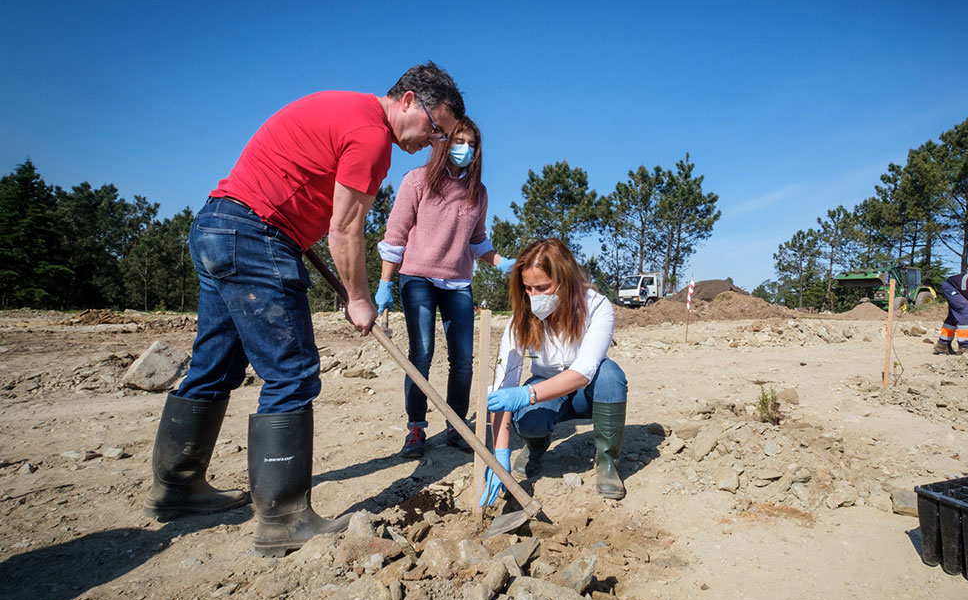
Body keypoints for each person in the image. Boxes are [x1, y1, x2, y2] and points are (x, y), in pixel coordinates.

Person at [142, 63, 465, 557]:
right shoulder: (372, 135)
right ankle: (284, 518)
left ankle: (177, 487)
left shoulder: (345, 108)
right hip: (255, 235)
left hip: (218, 224)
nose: (434, 140)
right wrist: (359, 298)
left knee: (216, 364)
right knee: (291, 371)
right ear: (408, 102)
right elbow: (345, 229)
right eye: (435, 128)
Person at [373, 116, 514, 457]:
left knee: (463, 359)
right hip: (417, 278)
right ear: (443, 143)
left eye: (471, 144)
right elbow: (396, 236)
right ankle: (416, 430)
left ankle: (455, 425)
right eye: (458, 141)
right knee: (421, 354)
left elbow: (477, 241)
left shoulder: (477, 193)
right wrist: (384, 283)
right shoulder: (417, 182)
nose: (464, 149)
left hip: (458, 282)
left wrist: (503, 263)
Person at [482, 239, 628, 501]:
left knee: (610, 375)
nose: (534, 296)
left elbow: (583, 372)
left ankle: (607, 461)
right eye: (528, 288)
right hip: (546, 386)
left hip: (588, 390)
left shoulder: (596, 307)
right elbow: (505, 383)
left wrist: (525, 395)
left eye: (543, 287)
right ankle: (535, 447)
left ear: (565, 280)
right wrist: (500, 453)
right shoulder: (521, 320)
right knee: (529, 420)